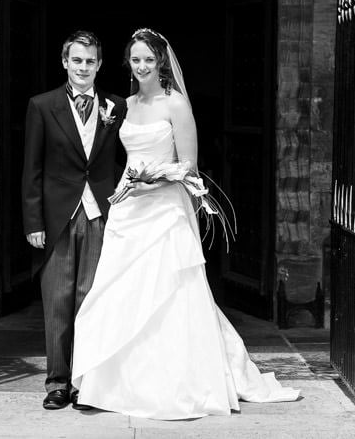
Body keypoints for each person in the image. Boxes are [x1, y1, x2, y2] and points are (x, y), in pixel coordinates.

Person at [71, 28, 300, 419]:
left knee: (169, 291)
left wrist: (151, 180)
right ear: (128, 62)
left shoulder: (175, 104)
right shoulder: (123, 105)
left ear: (161, 61)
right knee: (120, 291)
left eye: (149, 59)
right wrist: (129, 187)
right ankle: (113, 383)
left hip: (164, 210)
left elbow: (188, 166)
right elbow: (119, 159)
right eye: (136, 59)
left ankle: (175, 382)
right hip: (129, 212)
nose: (142, 66)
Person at [21, 30, 127, 411]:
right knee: (58, 301)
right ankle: (57, 382)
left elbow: (127, 159)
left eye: (90, 61)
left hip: (101, 214)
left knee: (91, 300)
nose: (83, 67)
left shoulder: (116, 105)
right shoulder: (42, 105)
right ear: (65, 62)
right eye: (76, 60)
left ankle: (86, 381)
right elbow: (31, 169)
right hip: (56, 217)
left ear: (100, 64)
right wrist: (33, 222)